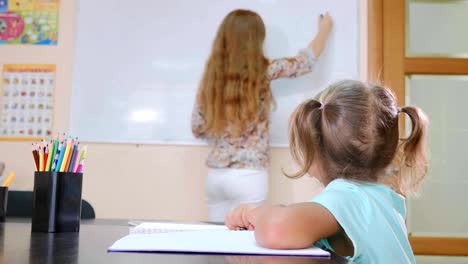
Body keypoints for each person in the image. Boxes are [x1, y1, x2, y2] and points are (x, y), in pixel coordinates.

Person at [226, 80, 428, 263]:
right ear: (389, 150)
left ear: (313, 149)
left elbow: (275, 229)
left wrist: (252, 213)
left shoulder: (348, 195)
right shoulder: (385, 199)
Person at [192, 9, 333, 222]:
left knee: (215, 246)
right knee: (246, 246)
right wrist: (324, 30)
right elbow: (305, 62)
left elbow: (198, 127)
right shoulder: (263, 70)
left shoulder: (212, 79)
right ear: (256, 39)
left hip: (217, 176)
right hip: (249, 175)